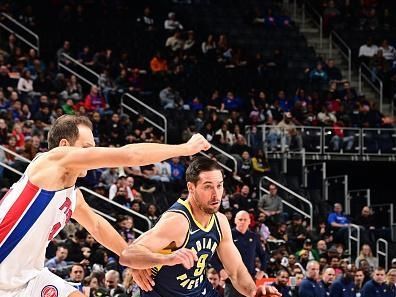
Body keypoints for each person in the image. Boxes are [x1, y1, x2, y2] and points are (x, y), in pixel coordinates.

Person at [0, 115, 211, 297]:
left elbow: (98, 227)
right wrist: (186, 148)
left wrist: (132, 260)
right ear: (64, 146)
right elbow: (130, 155)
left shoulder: (73, 197)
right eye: (86, 149)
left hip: (30, 276)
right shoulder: (50, 161)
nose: (91, 154)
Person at [120, 157, 281, 297]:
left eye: (219, 186)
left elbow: (237, 271)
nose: (216, 194)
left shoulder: (220, 221)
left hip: (199, 291)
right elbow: (128, 254)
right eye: (208, 186)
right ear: (191, 188)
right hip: (161, 292)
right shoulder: (178, 221)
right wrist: (166, 259)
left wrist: (253, 292)